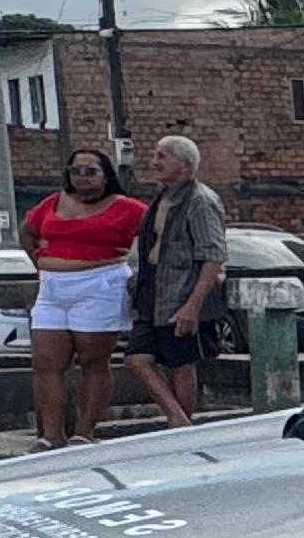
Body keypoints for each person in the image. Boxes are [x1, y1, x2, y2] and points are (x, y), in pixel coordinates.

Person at [21, 146, 148, 449]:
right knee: (46, 361)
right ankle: (50, 434)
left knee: (93, 360)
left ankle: (84, 431)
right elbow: (27, 231)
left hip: (99, 283)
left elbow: (157, 235)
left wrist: (140, 272)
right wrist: (39, 257)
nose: (82, 177)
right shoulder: (53, 202)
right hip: (53, 286)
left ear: (105, 175)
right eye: (75, 171)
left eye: (90, 171)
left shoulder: (127, 207)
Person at [121, 134, 225, 430]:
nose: (155, 162)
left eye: (162, 156)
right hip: (153, 288)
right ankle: (177, 417)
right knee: (137, 357)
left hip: (182, 289)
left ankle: (181, 423)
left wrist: (193, 305)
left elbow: (213, 254)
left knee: (181, 361)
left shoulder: (200, 200)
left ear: (183, 164)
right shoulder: (161, 199)